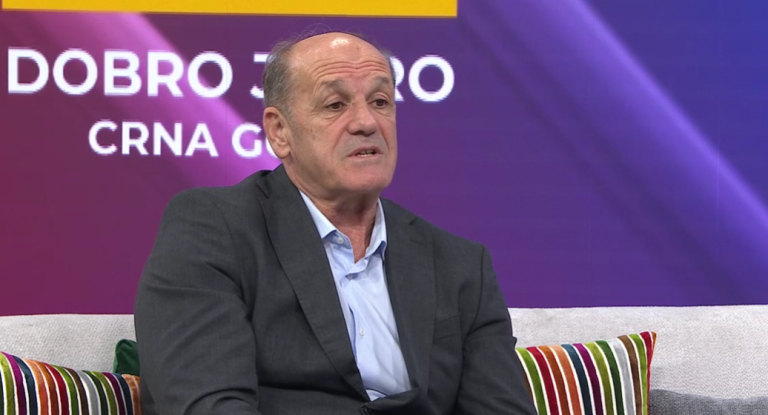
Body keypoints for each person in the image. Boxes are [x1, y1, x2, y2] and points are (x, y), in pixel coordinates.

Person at [134, 30, 537, 415]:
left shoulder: (460, 265)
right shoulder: (215, 229)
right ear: (280, 132)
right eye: (335, 105)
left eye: (381, 101)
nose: (367, 122)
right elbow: (207, 403)